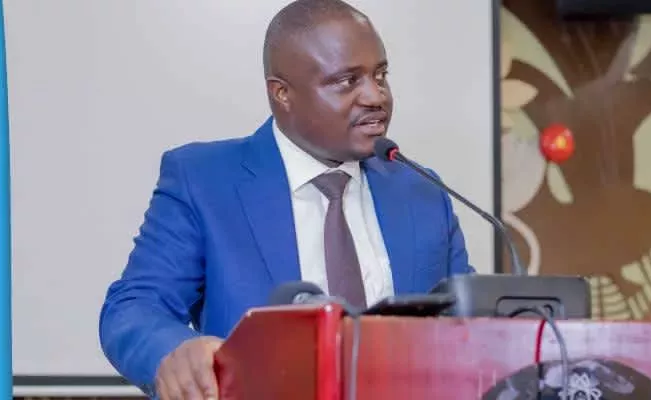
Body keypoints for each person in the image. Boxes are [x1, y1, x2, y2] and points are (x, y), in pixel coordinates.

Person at [98, 0, 475, 398]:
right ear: (282, 93)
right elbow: (135, 305)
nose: (375, 95)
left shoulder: (421, 191)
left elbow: (469, 324)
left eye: (380, 75)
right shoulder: (204, 181)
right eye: (347, 81)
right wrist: (173, 352)